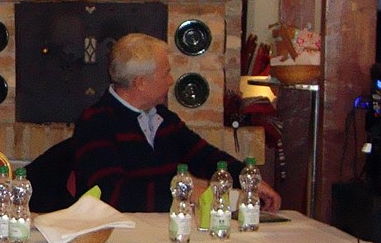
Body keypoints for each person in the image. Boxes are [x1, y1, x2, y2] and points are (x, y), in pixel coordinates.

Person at [71, 33, 281, 213]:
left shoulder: (163, 118)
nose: (171, 80)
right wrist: (185, 191)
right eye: (166, 73)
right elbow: (111, 193)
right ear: (141, 83)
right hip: (117, 236)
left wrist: (248, 179)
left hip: (164, 227)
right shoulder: (96, 122)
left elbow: (204, 156)